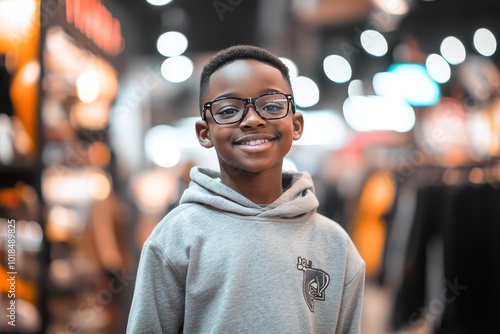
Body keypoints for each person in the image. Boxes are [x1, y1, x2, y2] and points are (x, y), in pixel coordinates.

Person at [127, 45, 365, 333]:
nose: (253, 119)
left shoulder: (335, 245)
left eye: (272, 106)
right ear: (205, 133)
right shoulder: (176, 237)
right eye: (228, 110)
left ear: (296, 124)